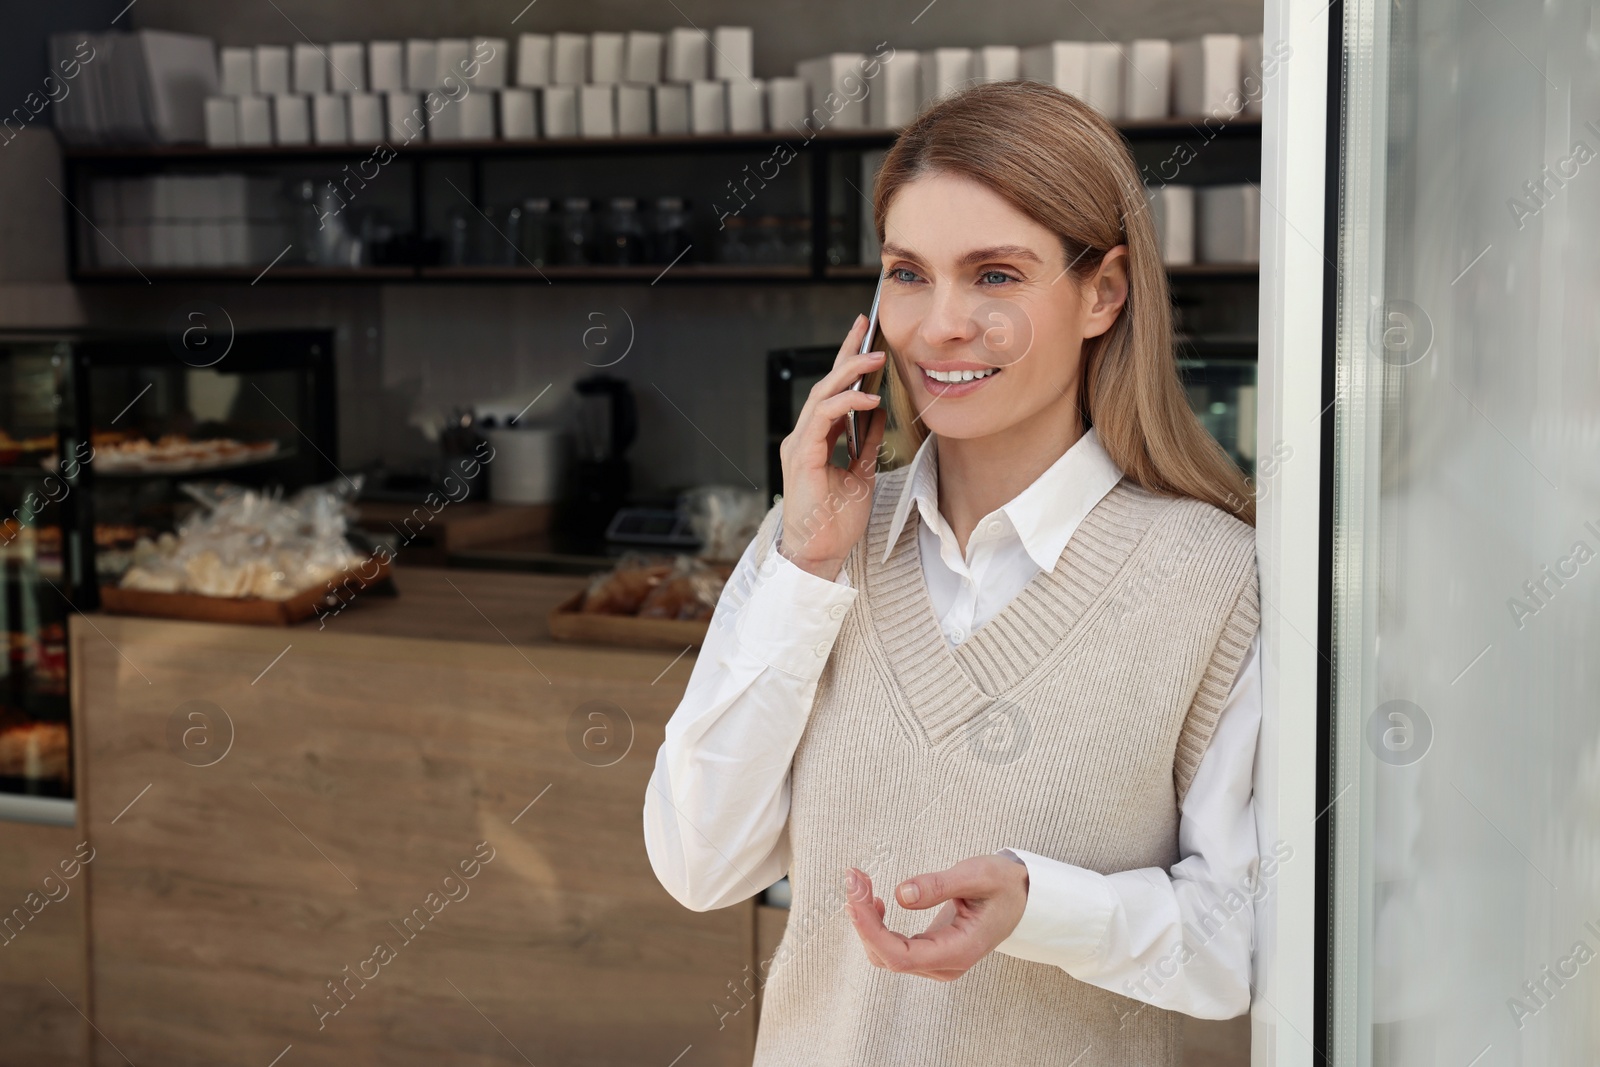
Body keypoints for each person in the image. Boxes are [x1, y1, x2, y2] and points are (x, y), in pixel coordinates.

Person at [643, 80, 1262, 1067]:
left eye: (997, 276)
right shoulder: (811, 548)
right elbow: (698, 862)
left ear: (1102, 291)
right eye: (906, 273)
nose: (937, 327)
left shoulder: (1214, 579)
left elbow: (1242, 940)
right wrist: (804, 564)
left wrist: (1038, 903)